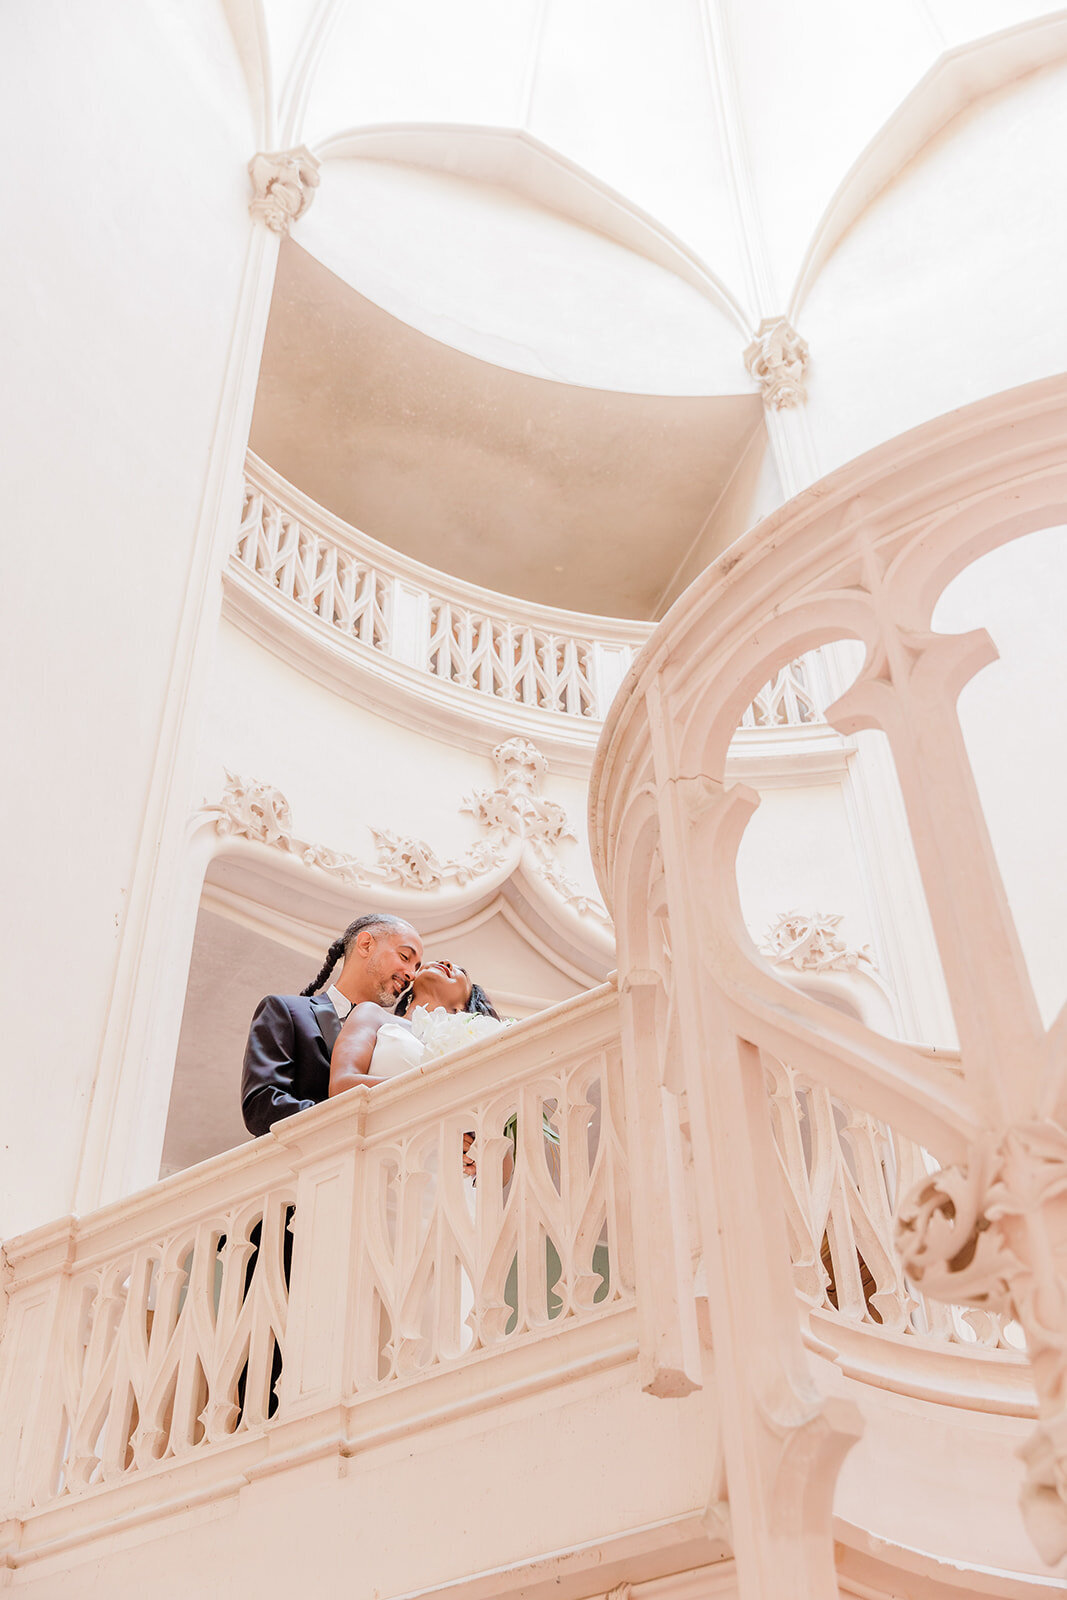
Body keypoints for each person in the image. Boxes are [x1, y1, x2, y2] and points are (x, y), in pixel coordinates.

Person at [241, 913, 423, 1137]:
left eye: (416, 967)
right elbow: (263, 1106)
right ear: (365, 945)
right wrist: (349, 1124)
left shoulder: (400, 1036)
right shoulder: (286, 1010)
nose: (412, 974)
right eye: (405, 956)